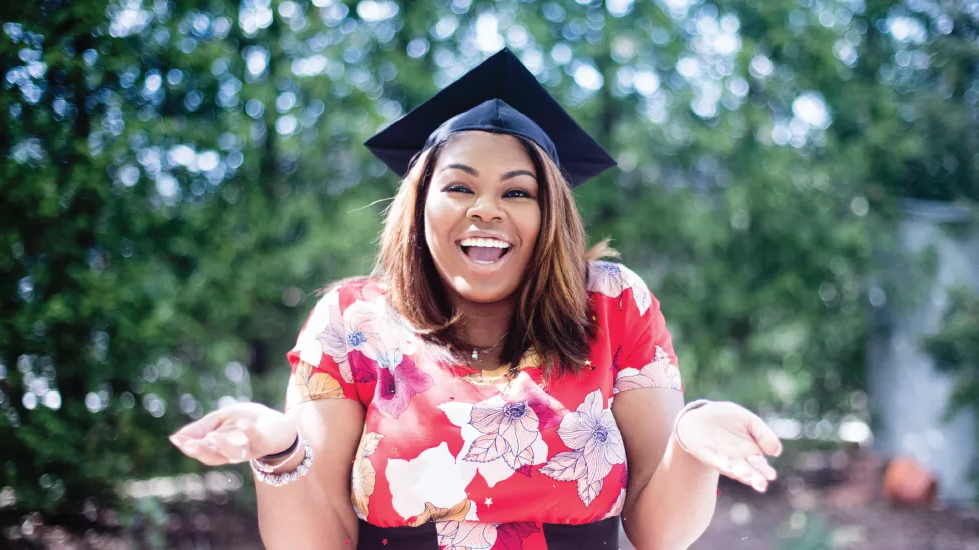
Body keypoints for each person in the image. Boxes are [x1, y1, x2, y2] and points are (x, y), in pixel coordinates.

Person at [169, 49, 782, 550]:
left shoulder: (612, 306)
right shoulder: (351, 324)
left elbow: (658, 532)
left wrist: (691, 443)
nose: (486, 208)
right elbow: (317, 540)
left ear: (551, 215)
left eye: (518, 193)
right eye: (459, 185)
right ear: (420, 205)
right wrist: (279, 451)